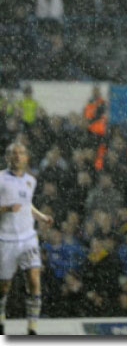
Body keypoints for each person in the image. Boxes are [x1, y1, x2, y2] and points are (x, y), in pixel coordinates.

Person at [0, 142, 53, 335]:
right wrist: (5, 209)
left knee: (34, 278)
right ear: (8, 157)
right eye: (13, 153)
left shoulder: (31, 180)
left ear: (26, 158)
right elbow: (12, 206)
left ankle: (32, 328)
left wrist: (41, 217)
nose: (17, 156)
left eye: (21, 153)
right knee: (4, 286)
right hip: (6, 240)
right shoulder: (0, 179)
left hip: (28, 238)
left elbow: (26, 204)